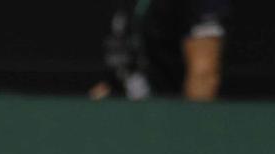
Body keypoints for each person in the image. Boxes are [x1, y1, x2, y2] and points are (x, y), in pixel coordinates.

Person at [93, 0, 228, 101]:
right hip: (126, 117)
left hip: (168, 120)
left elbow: (204, 75)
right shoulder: (126, 8)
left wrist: (192, 128)